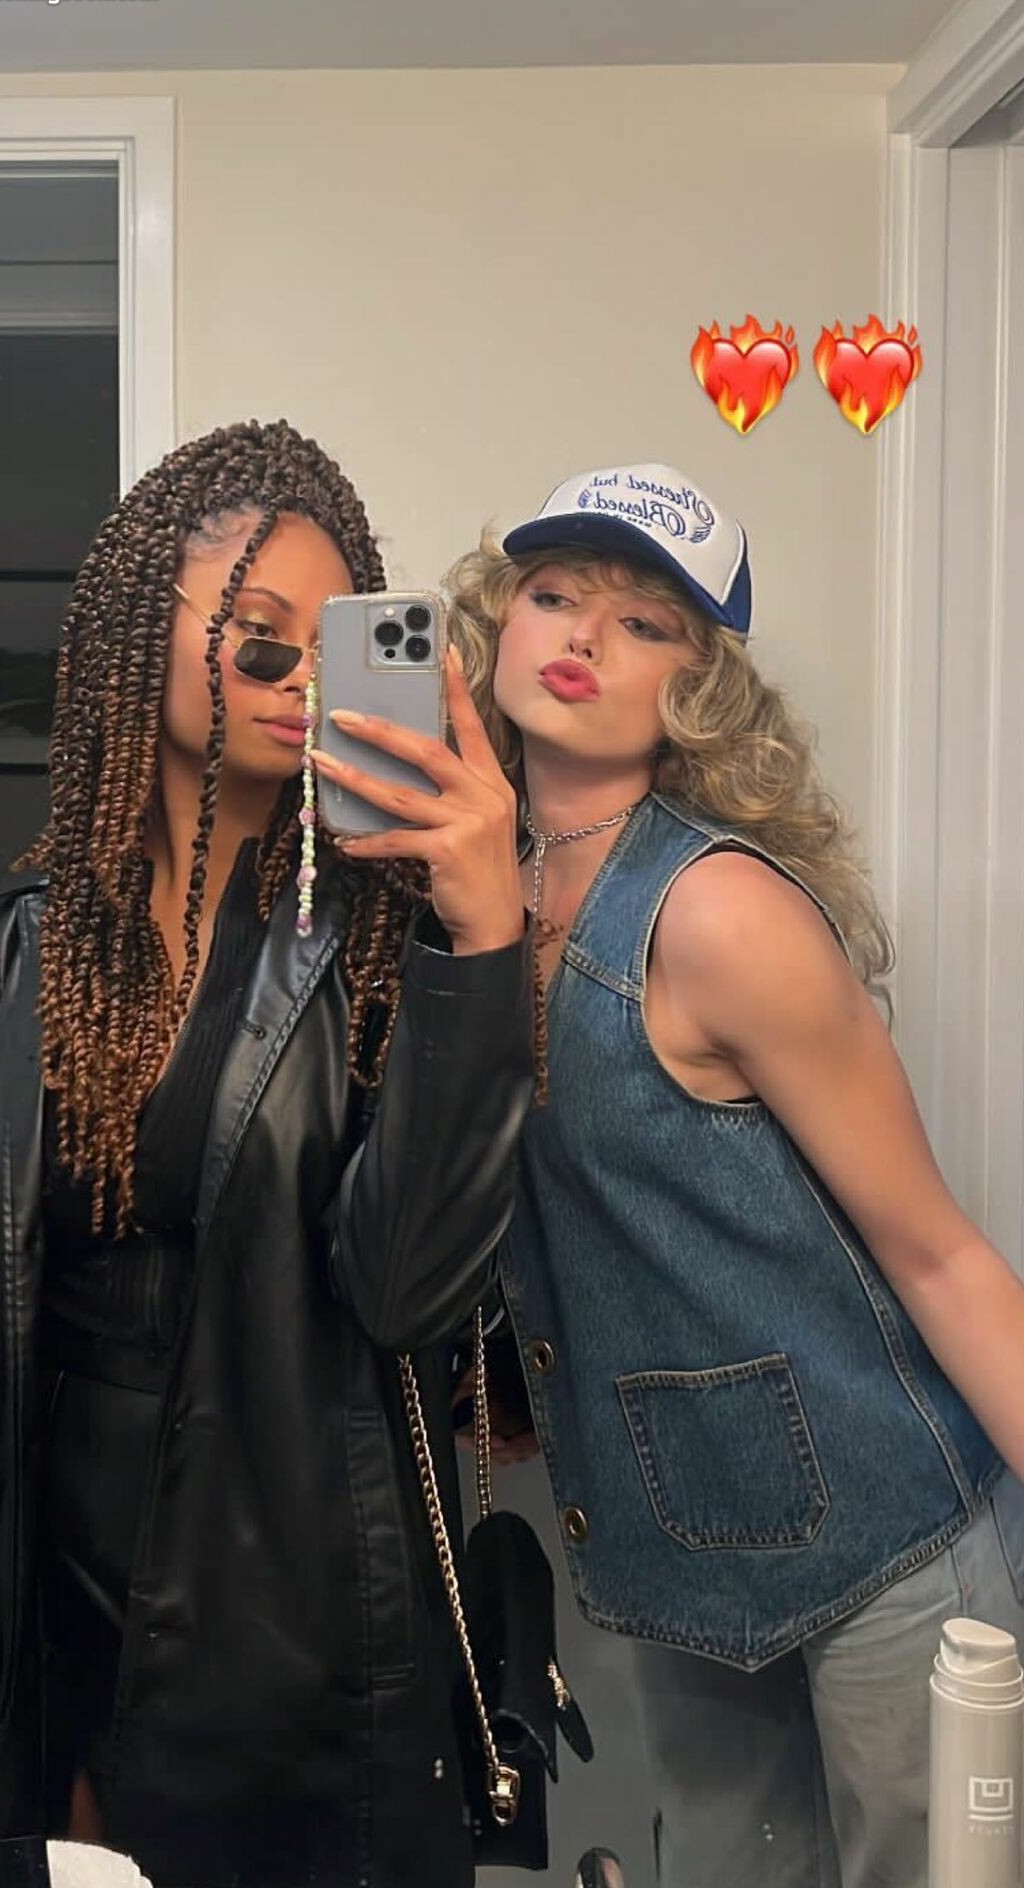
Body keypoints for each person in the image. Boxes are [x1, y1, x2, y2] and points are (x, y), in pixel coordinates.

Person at [0, 419, 538, 1888]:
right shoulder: (20, 956)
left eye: (331, 652)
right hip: (48, 1605)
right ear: (137, 638)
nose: (298, 684)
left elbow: (407, 1293)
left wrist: (484, 939)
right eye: (260, 641)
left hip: (300, 1615)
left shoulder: (387, 946)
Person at [445, 461, 1024, 1888]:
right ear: (498, 623)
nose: (584, 636)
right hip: (684, 1540)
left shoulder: (718, 910)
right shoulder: (471, 889)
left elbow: (939, 1253)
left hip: (889, 1537)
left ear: (697, 688)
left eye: (645, 623)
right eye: (555, 595)